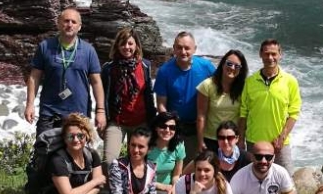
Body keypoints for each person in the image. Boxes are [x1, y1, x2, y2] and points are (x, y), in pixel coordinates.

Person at [25, 7, 105, 138]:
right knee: (43, 148)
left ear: (79, 26)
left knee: (76, 150)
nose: (69, 24)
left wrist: (100, 111)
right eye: (66, 21)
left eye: (74, 22)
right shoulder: (45, 46)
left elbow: (96, 82)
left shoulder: (89, 50)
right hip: (49, 112)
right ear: (58, 23)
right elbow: (34, 77)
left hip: (78, 114)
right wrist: (29, 104)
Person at [238, 39, 301, 171]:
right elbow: (243, 113)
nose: (270, 58)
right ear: (260, 54)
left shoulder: (290, 81)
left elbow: (294, 113)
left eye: (274, 54)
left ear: (280, 55)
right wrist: (241, 140)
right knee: (254, 178)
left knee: (286, 178)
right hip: (254, 141)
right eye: (266, 54)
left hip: (279, 143)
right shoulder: (250, 82)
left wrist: (282, 137)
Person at [155, 31, 215, 160]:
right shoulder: (164, 71)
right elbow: (161, 104)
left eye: (187, 48)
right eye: (179, 47)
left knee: (196, 163)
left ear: (194, 49)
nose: (183, 52)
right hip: (175, 128)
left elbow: (221, 89)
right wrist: (168, 127)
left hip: (200, 127)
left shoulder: (206, 67)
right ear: (174, 48)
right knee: (175, 163)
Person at [100, 27, 155, 164]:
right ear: (117, 46)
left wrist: (153, 122)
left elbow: (149, 95)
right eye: (123, 43)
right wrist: (103, 120)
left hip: (141, 122)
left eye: (130, 43)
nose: (127, 47)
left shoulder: (145, 66)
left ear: (136, 46)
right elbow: (103, 96)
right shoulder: (108, 68)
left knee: (138, 162)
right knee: (109, 162)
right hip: (117, 122)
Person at [196, 49, 247, 153]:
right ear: (223, 64)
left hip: (233, 139)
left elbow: (243, 117)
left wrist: (241, 140)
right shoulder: (207, 85)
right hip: (211, 139)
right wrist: (200, 141)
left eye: (237, 66)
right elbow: (201, 116)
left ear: (241, 70)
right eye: (229, 63)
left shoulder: (244, 88)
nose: (232, 68)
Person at [148, 111, 186, 194]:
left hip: (168, 190)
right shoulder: (146, 145)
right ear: (156, 127)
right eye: (163, 126)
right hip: (147, 188)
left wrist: (175, 187)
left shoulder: (179, 146)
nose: (167, 130)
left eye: (172, 127)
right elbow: (139, 177)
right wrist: (164, 187)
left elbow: (176, 175)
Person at [179, 120, 249, 182]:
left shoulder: (246, 158)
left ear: (237, 138)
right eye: (221, 138)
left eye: (230, 138)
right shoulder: (209, 155)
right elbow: (184, 174)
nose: (225, 141)